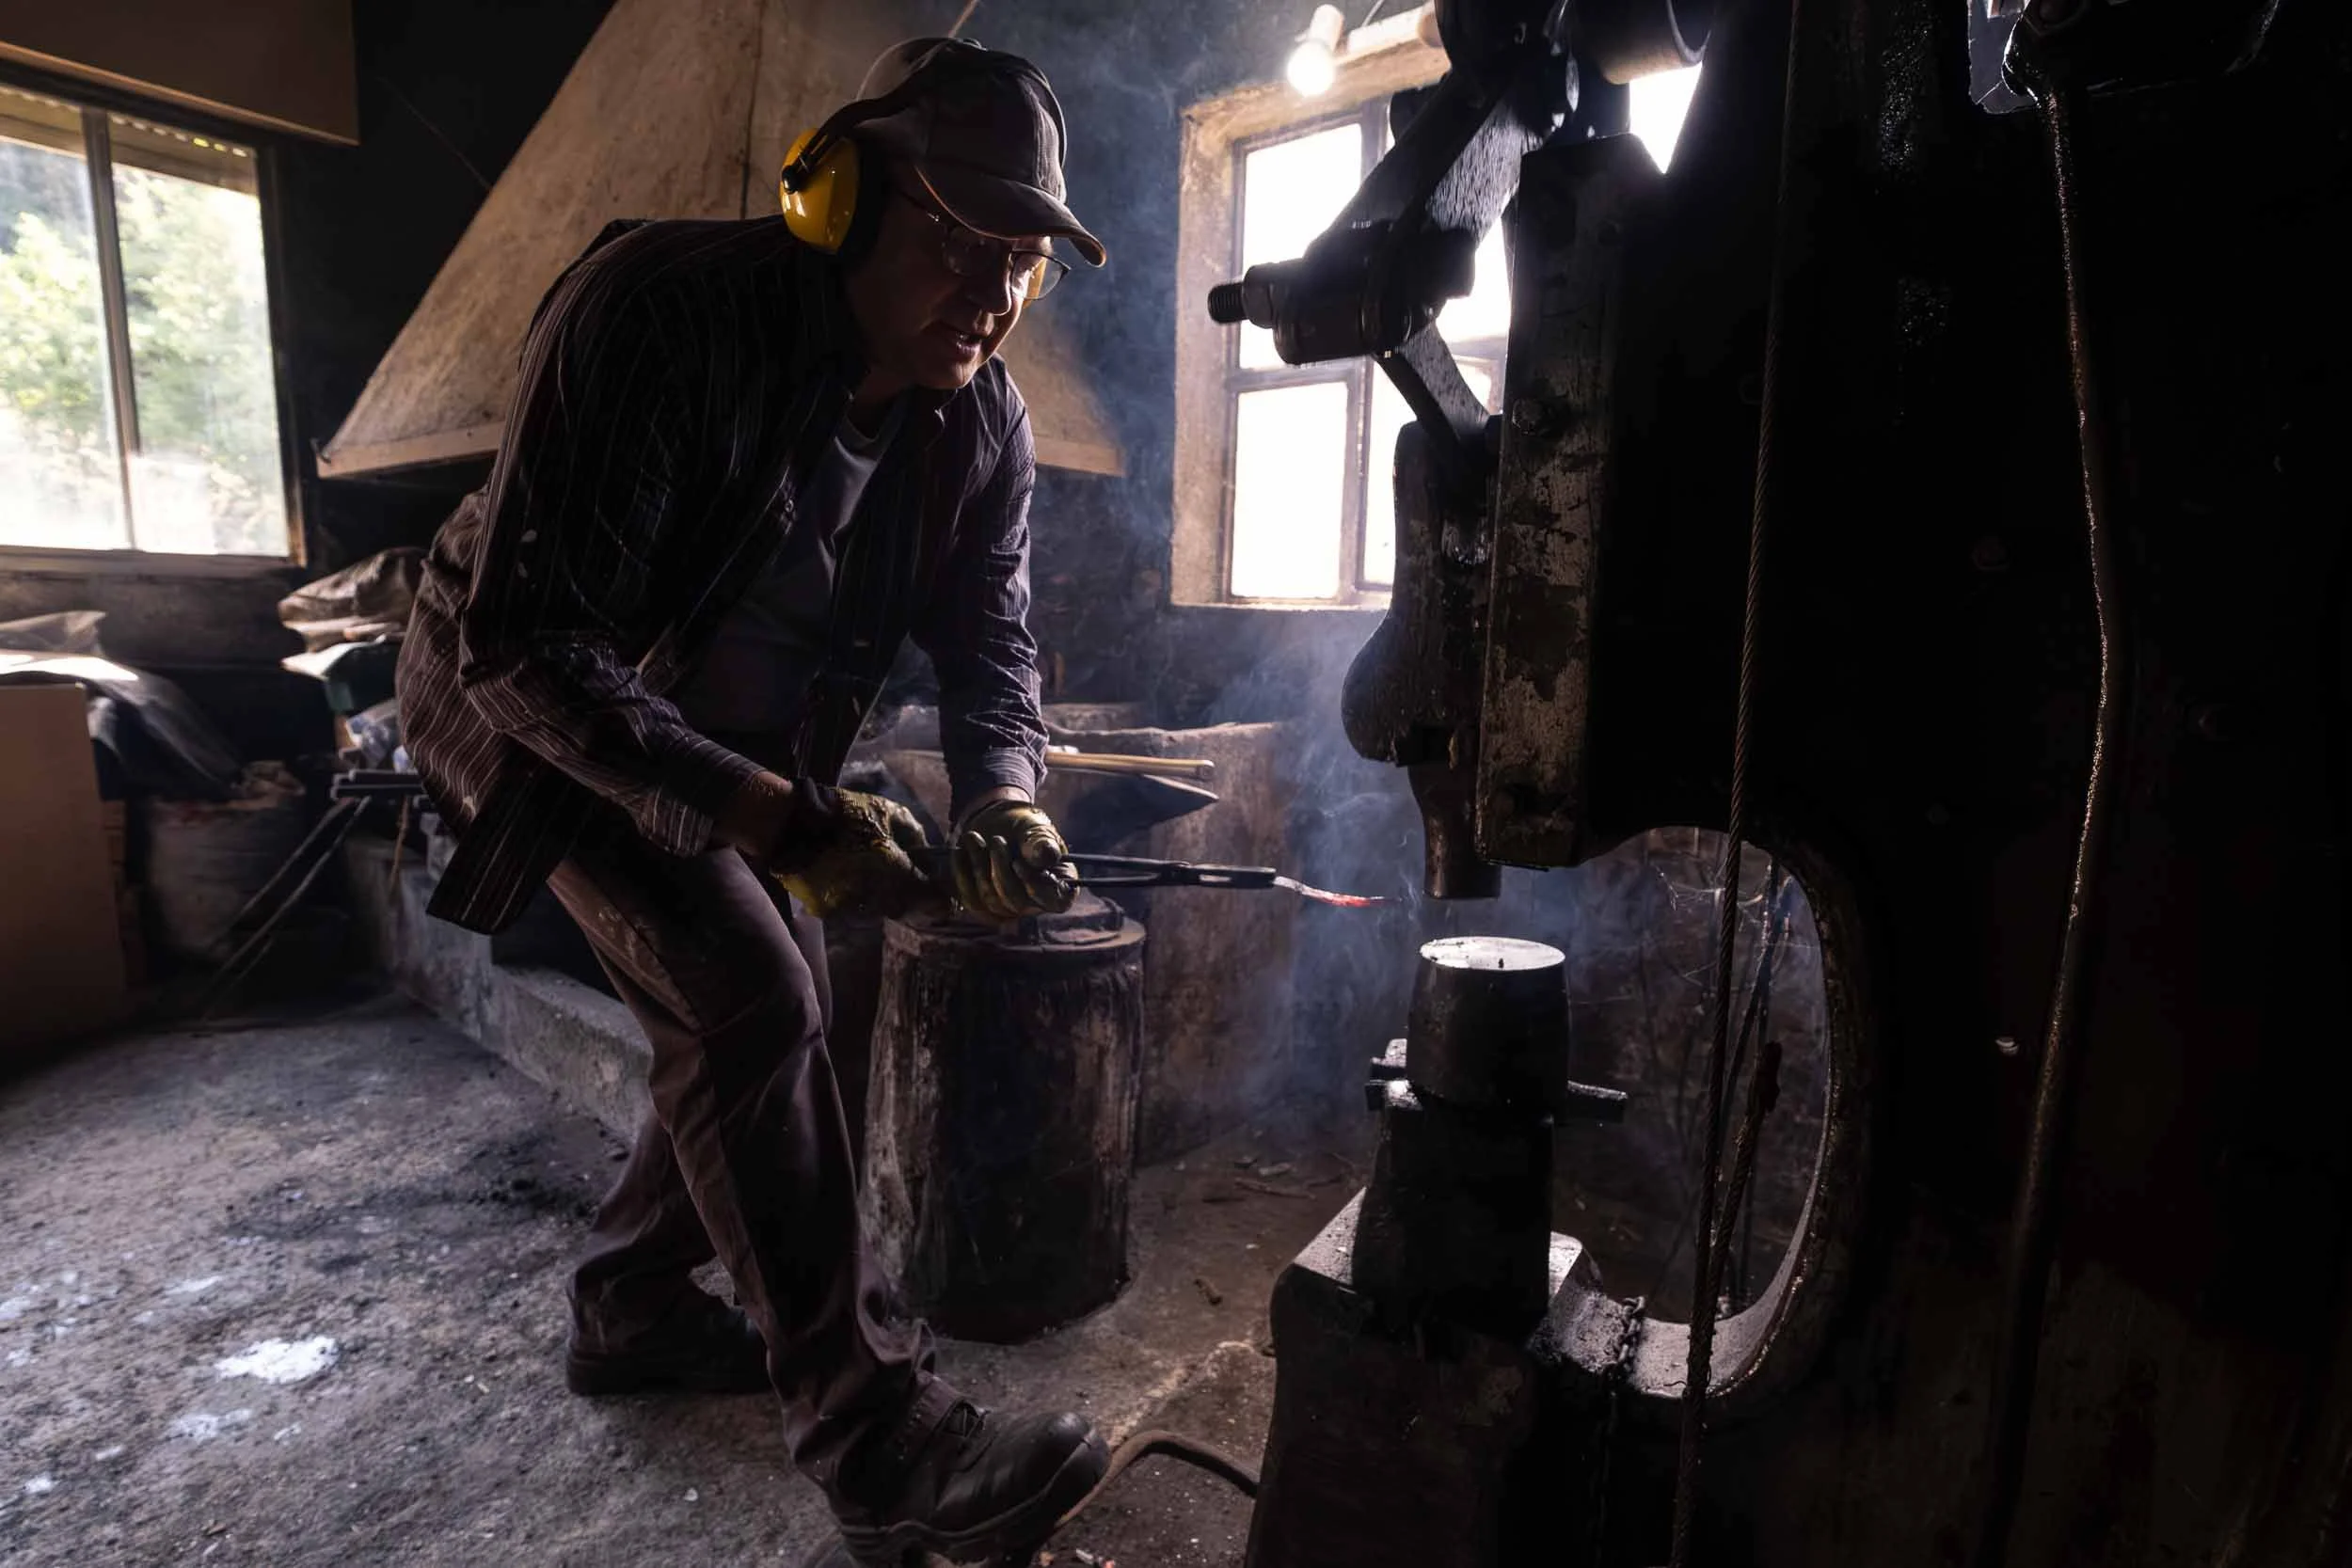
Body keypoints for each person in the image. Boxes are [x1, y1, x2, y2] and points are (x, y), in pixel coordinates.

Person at [395, 36, 1111, 1563]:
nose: (993, 292)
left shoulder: (980, 422)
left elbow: (993, 644)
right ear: (836, 198)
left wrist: (1007, 793)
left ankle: (632, 1304)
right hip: (526, 696)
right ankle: (882, 1442)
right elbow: (532, 642)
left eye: (1025, 261)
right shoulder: (657, 312)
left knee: (767, 1001)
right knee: (748, 993)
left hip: (720, 730)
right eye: (959, 239)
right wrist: (777, 819)